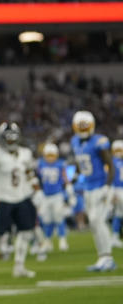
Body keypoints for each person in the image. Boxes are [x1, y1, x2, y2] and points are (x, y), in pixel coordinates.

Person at [0, 123, 38, 280]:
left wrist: (34, 187)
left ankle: (19, 266)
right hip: (3, 199)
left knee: (26, 233)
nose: (10, 141)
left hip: (22, 197)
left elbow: (29, 172)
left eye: (13, 138)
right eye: (8, 138)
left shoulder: (25, 153)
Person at [70, 110, 117, 271]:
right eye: (80, 127)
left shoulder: (99, 141)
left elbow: (110, 165)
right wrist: (76, 175)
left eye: (85, 127)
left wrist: (108, 186)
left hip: (101, 186)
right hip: (88, 188)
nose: (83, 130)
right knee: (94, 224)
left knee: (98, 221)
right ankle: (102, 257)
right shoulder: (75, 142)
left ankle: (108, 258)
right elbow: (79, 161)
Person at [36, 143, 71, 253]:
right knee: (47, 219)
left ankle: (62, 240)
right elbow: (37, 178)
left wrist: (69, 189)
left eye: (52, 155)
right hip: (45, 196)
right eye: (48, 155)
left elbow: (65, 178)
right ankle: (48, 241)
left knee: (59, 217)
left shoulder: (60, 164)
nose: (50, 158)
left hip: (57, 194)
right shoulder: (40, 163)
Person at [112, 140, 123, 246]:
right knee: (118, 214)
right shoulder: (112, 161)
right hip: (118, 190)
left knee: (119, 214)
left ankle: (115, 237)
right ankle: (115, 237)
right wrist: (113, 192)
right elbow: (110, 178)